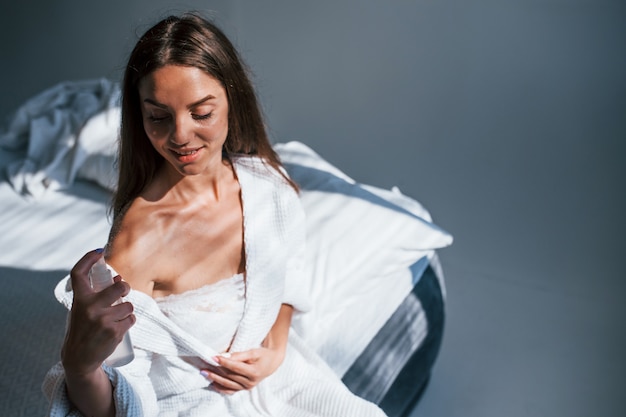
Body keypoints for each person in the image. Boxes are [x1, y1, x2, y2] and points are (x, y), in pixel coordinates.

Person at [43, 13, 387, 417]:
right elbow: (124, 392)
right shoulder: (140, 240)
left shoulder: (267, 188)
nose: (180, 135)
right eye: (158, 116)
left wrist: (274, 348)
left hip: (278, 377)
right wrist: (80, 367)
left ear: (232, 99)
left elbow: (287, 277)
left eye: (201, 113)